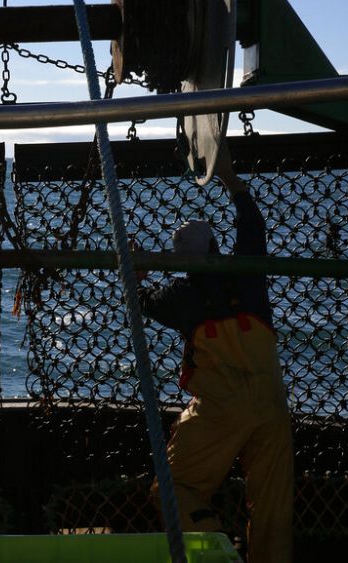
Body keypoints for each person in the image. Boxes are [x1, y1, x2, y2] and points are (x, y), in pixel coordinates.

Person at [139, 151, 293, 562]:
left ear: (179, 259)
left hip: (220, 407)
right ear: (215, 244)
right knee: (272, 508)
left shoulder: (180, 296)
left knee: (174, 491)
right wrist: (228, 177)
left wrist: (139, 272)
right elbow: (252, 221)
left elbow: (142, 301)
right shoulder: (248, 270)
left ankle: (219, 552)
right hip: (272, 404)